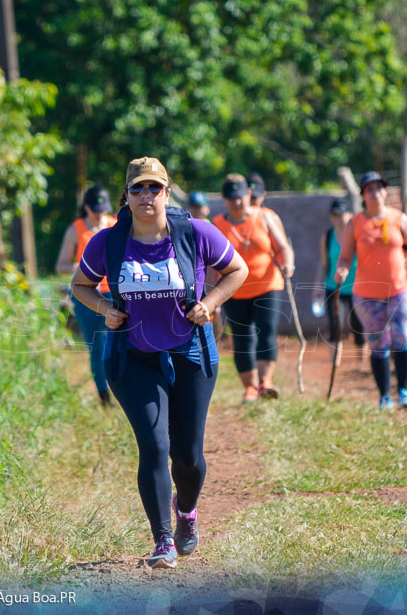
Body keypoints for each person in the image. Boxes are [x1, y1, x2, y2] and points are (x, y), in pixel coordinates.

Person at [71, 157, 247, 569]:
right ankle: (163, 540)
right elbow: (79, 286)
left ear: (167, 193)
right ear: (126, 197)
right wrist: (104, 308)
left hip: (190, 351)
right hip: (133, 356)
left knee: (187, 456)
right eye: (138, 188)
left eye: (155, 188)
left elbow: (237, 269)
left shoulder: (194, 233)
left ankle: (186, 511)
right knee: (154, 445)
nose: (146, 195)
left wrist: (209, 303)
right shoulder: (109, 242)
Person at [334, 171, 407, 410]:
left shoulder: (400, 219)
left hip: (401, 289)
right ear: (363, 195)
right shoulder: (355, 224)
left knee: (403, 337)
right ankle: (384, 397)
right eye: (369, 189)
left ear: (385, 191)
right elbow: (345, 257)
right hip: (367, 294)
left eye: (379, 188)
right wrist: (342, 270)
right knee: (378, 343)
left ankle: (404, 392)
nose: (375, 193)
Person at [212, 173, 295, 403]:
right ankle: (249, 387)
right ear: (224, 198)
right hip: (233, 290)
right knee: (242, 338)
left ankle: (265, 382)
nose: (237, 202)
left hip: (268, 285)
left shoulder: (264, 217)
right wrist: (212, 295)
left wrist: (288, 263)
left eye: (240, 196)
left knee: (266, 331)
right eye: (231, 197)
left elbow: (282, 247)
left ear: (249, 194)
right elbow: (211, 262)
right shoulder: (217, 224)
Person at [55, 185, 118, 406]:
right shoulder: (76, 230)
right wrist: (83, 268)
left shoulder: (115, 225)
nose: (99, 214)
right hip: (85, 294)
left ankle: (122, 389)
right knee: (96, 346)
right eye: (95, 210)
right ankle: (103, 394)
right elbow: (61, 265)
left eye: (103, 209)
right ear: (86, 208)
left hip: (113, 293)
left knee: (118, 343)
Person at [315, 198, 366, 365]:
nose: (338, 218)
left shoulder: (357, 235)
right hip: (333, 287)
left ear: (349, 215)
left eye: (341, 214)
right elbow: (323, 263)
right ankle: (335, 364)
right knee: (334, 326)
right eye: (334, 214)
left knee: (358, 326)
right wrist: (317, 285)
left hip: (356, 288)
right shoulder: (328, 236)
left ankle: (361, 363)